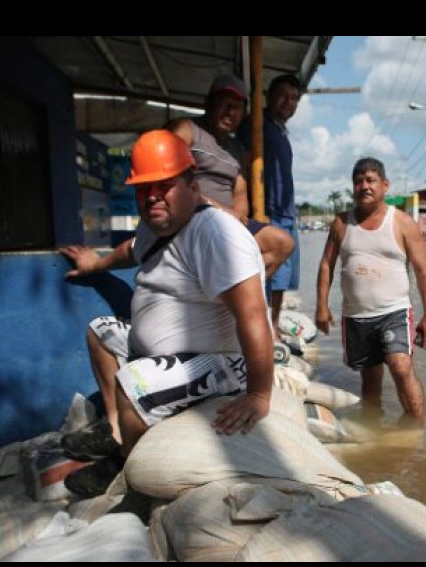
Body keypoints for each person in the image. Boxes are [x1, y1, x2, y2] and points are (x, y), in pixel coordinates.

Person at [58, 129, 273, 497]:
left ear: (193, 185)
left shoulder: (216, 234)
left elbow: (252, 314)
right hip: (164, 352)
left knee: (133, 383)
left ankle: (126, 466)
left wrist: (259, 395)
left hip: (222, 361)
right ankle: (116, 432)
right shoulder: (156, 225)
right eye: (144, 188)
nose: (152, 196)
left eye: (164, 185)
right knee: (100, 331)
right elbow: (131, 250)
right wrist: (95, 263)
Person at [314, 157, 426, 426]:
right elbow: (326, 265)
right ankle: (374, 427)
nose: (364, 186)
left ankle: (416, 431)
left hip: (394, 311)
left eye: (370, 180)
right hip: (356, 315)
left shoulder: (403, 222)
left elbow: (423, 271)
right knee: (369, 378)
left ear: (385, 185)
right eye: (358, 182)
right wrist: (321, 306)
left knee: (401, 366)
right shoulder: (341, 223)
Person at [165, 74, 293, 278]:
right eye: (224, 103)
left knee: (282, 244)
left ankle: (229, 286)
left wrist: (234, 220)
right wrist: (221, 211)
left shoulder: (238, 150)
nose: (230, 111)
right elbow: (170, 180)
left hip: (227, 225)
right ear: (209, 103)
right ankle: (226, 285)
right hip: (192, 216)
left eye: (237, 107)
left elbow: (240, 197)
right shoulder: (187, 129)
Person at [238, 73, 303, 341]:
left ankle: (273, 323)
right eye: (283, 96)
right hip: (267, 212)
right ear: (269, 96)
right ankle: (261, 324)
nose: (289, 103)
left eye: (294, 98)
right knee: (270, 273)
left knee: (283, 279)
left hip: (286, 213)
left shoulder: (280, 131)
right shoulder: (255, 125)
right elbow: (243, 164)